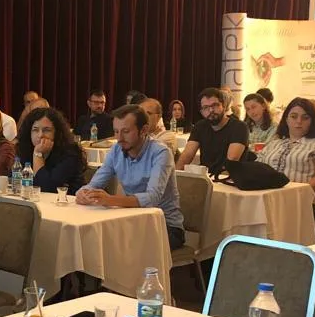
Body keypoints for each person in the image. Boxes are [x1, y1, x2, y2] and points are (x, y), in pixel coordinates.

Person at [76, 104, 184, 249]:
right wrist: (83, 193)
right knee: (90, 241)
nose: (119, 138)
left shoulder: (160, 152)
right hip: (131, 220)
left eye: (126, 131)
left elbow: (152, 197)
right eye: (116, 131)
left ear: (143, 130)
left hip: (165, 226)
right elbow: (94, 184)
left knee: (116, 246)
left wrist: (110, 199)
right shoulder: (116, 150)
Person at [256, 97, 315, 194]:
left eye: (305, 118)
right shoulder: (274, 143)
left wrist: (294, 193)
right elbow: (256, 169)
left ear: (312, 121)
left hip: (300, 199)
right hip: (267, 196)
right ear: (286, 119)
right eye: (294, 116)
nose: (299, 121)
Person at [177, 88, 249, 174]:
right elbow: (187, 155)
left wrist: (214, 180)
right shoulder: (200, 126)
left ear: (223, 106)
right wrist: (175, 175)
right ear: (201, 112)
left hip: (229, 177)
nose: (211, 110)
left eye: (215, 105)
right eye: (206, 107)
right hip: (206, 176)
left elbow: (231, 161)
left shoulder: (239, 127)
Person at [17, 107, 86, 195]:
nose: (40, 135)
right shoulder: (25, 149)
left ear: (56, 133)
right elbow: (14, 180)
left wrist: (38, 155)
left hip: (67, 201)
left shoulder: (70, 153)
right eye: (35, 130)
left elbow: (46, 188)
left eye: (46, 130)